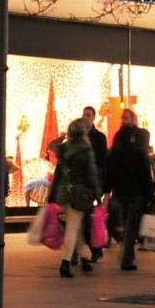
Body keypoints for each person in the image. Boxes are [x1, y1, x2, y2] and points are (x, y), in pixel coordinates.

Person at [107, 110, 155, 272]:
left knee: (126, 222)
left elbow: (112, 165)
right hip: (132, 190)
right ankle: (127, 255)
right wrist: (150, 193)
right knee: (130, 224)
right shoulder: (134, 146)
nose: (124, 120)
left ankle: (126, 253)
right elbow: (144, 170)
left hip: (125, 190)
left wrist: (107, 188)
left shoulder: (119, 143)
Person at [52, 117, 101, 278]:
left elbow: (58, 171)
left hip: (65, 192)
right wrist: (97, 193)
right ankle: (65, 263)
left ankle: (85, 258)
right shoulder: (86, 150)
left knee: (76, 226)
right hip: (79, 194)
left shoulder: (64, 149)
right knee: (73, 228)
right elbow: (92, 174)